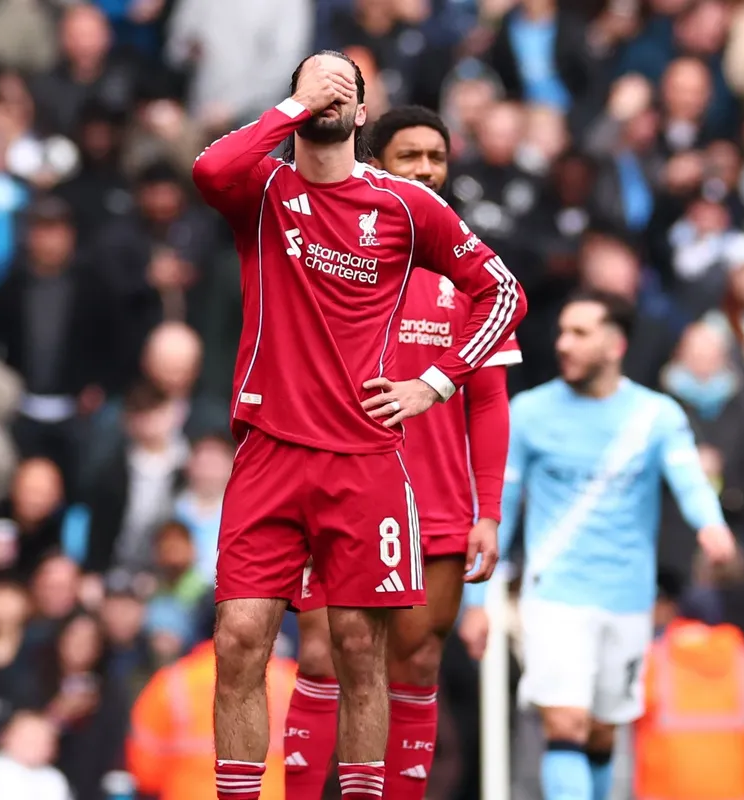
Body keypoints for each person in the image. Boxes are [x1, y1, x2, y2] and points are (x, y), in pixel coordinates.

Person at [190, 51, 525, 799]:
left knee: (359, 651)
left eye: (347, 90)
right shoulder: (268, 192)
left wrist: (432, 385)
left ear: (364, 115)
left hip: (365, 459)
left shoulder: (405, 206)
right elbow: (210, 171)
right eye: (319, 86)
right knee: (239, 640)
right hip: (270, 450)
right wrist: (288, 110)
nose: (332, 97)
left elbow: (502, 293)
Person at [283, 105, 520, 800]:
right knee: (325, 656)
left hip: (440, 502)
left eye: (436, 157)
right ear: (374, 163)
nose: (425, 169)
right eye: (409, 156)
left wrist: (490, 510)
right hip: (338, 492)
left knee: (416, 661)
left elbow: (487, 400)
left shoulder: (469, 270)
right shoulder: (333, 255)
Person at [457, 290, 739, 800]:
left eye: (580, 333)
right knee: (565, 722)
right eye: (562, 331)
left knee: (603, 732)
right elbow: (493, 513)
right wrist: (477, 604)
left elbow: (690, 479)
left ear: (615, 345)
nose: (563, 343)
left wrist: (712, 526)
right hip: (554, 595)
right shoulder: (530, 412)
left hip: (628, 599)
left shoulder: (655, 415)